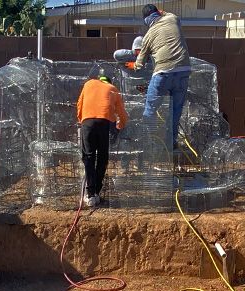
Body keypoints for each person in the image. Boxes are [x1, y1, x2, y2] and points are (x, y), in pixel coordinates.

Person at [135, 4, 191, 149]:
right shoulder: (173, 19)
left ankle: (148, 143)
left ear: (146, 20)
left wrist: (133, 66)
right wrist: (160, 11)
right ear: (158, 13)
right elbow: (164, 13)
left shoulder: (148, 36)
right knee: (175, 111)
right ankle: (170, 144)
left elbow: (139, 63)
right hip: (183, 72)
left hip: (163, 73)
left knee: (150, 110)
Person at [76, 75, 128, 207]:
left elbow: (79, 105)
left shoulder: (88, 84)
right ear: (109, 82)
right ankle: (97, 193)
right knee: (102, 157)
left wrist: (82, 120)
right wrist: (120, 126)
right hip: (105, 122)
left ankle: (90, 194)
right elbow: (122, 113)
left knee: (89, 156)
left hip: (88, 122)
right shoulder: (112, 88)